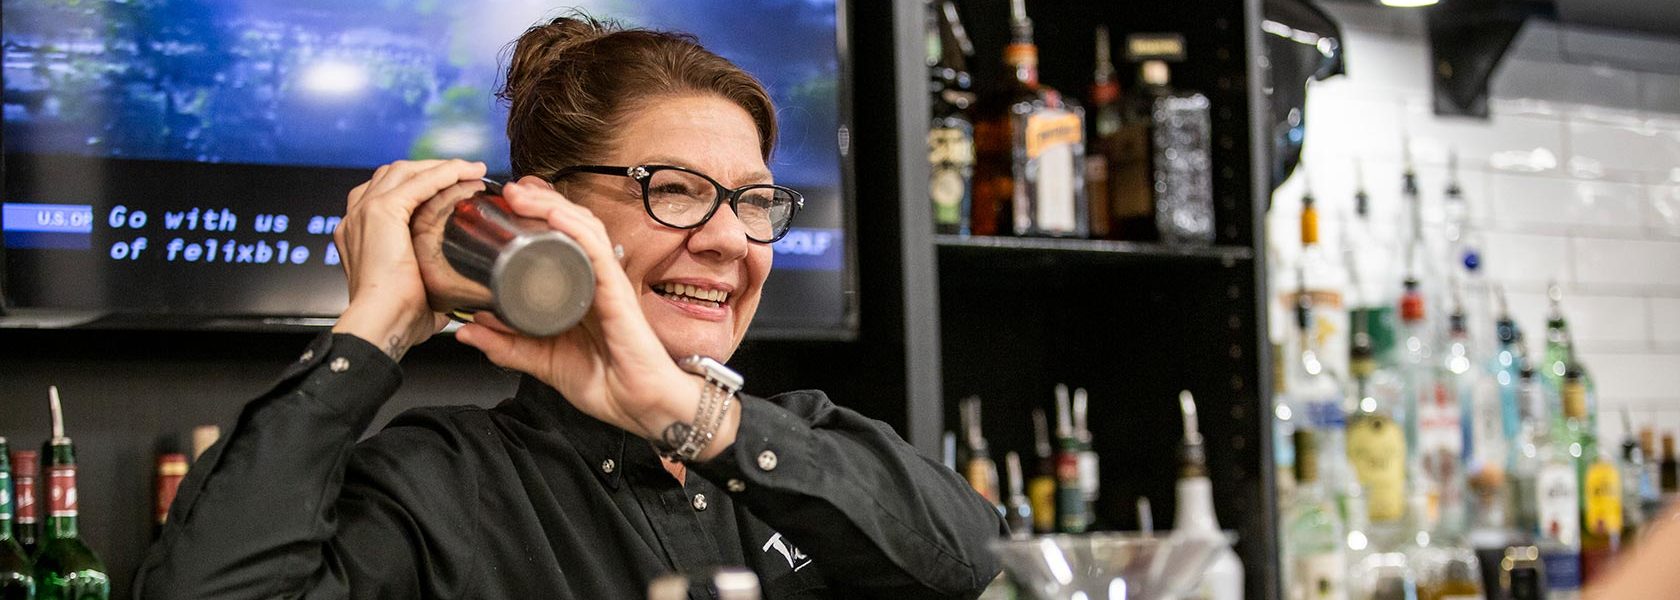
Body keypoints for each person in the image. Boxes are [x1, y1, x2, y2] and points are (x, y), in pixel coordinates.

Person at [134, 14, 1006, 600]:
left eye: (753, 202)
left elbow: (972, 563)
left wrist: (680, 412)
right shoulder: (441, 484)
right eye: (674, 190)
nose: (731, 242)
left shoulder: (810, 441)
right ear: (545, 211)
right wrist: (376, 326)